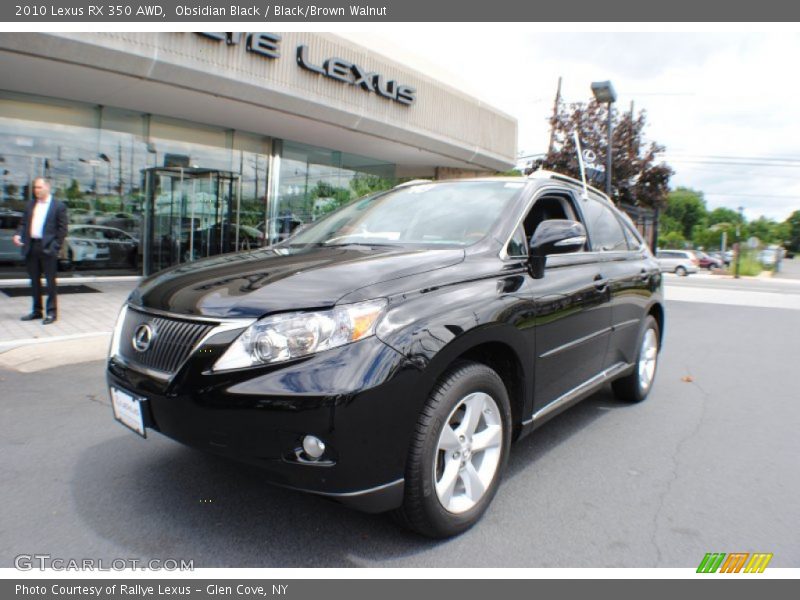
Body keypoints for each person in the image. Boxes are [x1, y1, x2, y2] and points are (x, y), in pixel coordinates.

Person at [12, 177, 68, 324]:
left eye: (39, 187)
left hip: (48, 248)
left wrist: (55, 246)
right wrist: (18, 234)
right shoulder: (31, 204)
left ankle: (51, 313)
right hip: (31, 247)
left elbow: (62, 229)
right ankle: (37, 311)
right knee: (34, 281)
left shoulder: (58, 206)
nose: (36, 190)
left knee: (50, 282)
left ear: (47, 187)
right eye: (35, 188)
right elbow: (23, 223)